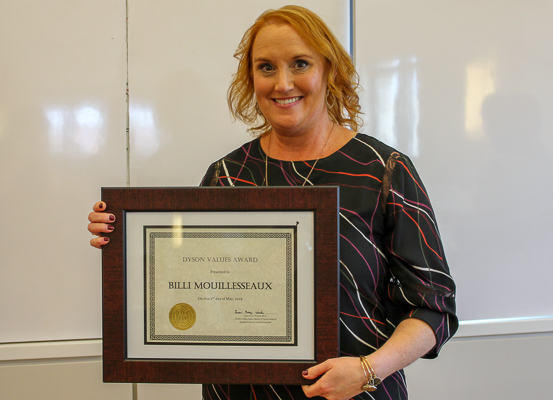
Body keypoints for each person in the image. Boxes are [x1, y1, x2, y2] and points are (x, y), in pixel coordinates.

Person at [88, 5, 457, 400]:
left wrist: (369, 369)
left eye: (300, 63)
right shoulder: (226, 176)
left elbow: (434, 308)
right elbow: (184, 282)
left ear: (328, 71)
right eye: (266, 67)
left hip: (355, 394)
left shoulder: (382, 171)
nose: (283, 83)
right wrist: (123, 239)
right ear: (251, 78)